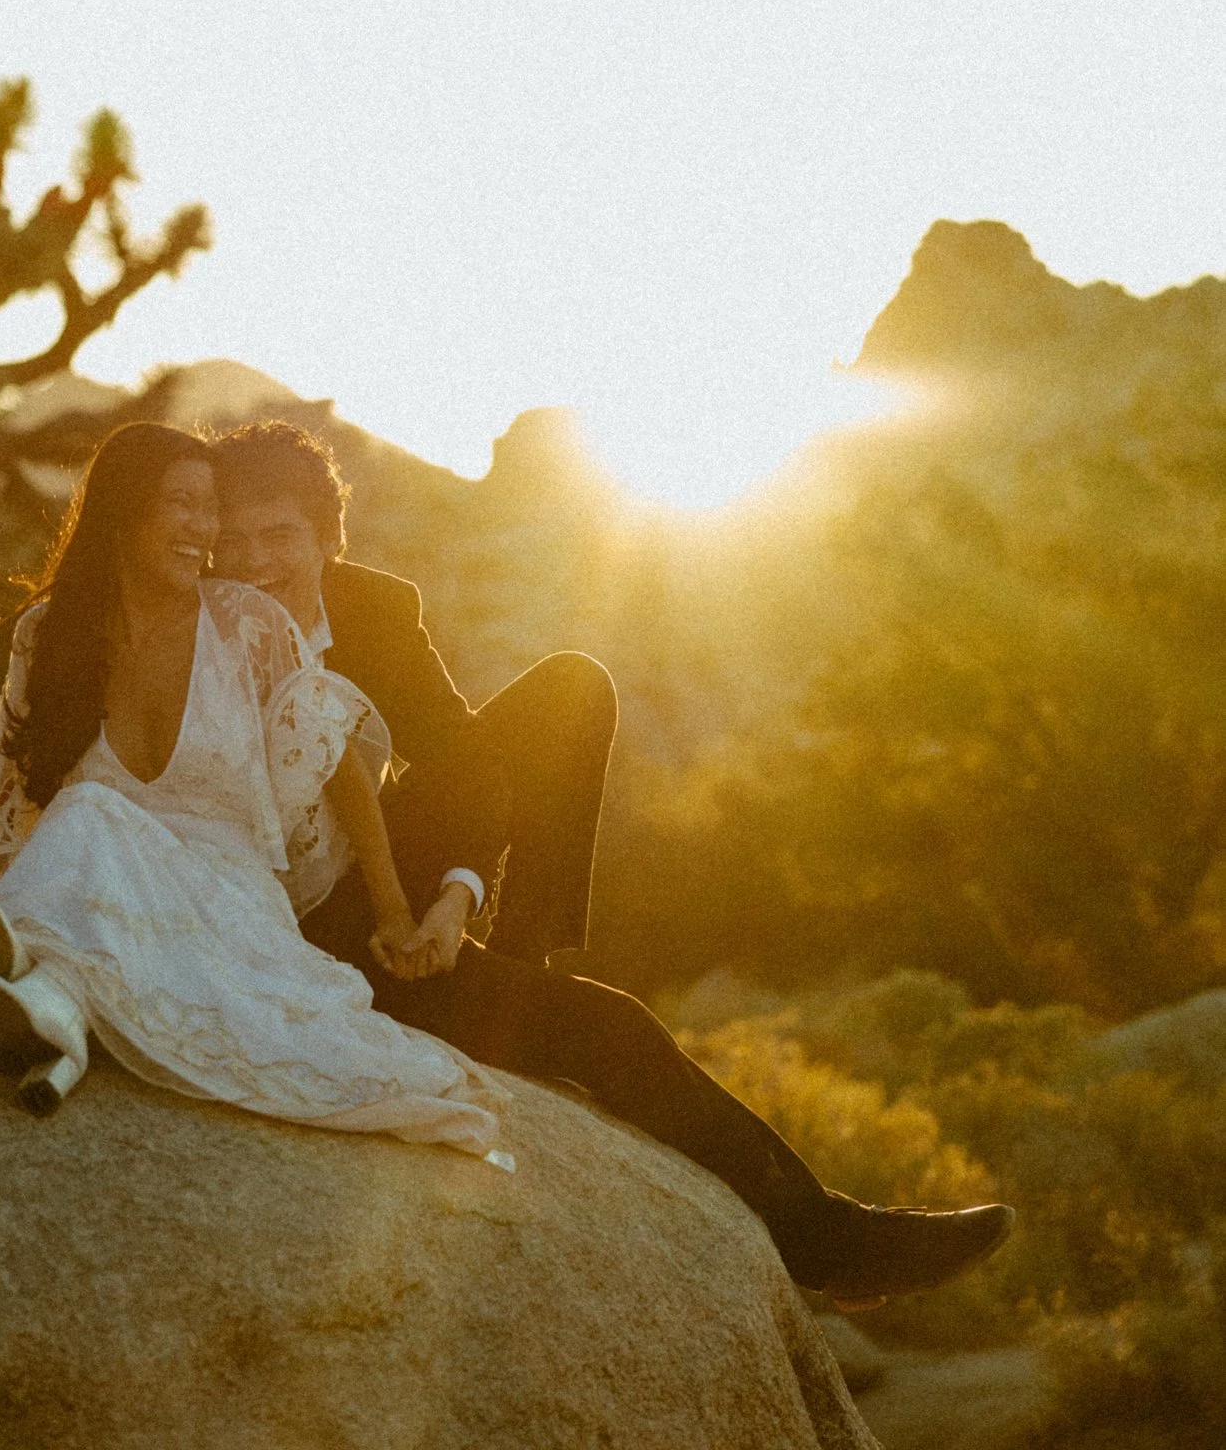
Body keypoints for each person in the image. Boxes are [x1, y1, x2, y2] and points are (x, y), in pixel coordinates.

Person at [208, 420, 1015, 1309]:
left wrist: (453, 896)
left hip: (385, 874)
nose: (252, 560)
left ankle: (521, 955)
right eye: (230, 539)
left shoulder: (375, 611)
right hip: (293, 912)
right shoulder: (197, 627)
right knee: (615, 1031)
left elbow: (467, 766)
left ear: (329, 537)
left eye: (277, 535)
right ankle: (829, 1243)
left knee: (568, 689)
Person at [0, 422, 509, 1163]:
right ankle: (60, 1018)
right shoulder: (49, 636)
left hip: (229, 896)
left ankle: (57, 1007)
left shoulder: (247, 624)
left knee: (87, 812)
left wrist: (397, 912)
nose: (204, 529)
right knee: (84, 817)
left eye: (209, 509)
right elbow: (9, 801)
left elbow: (338, 764)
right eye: (184, 504)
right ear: (124, 510)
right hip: (116, 898)